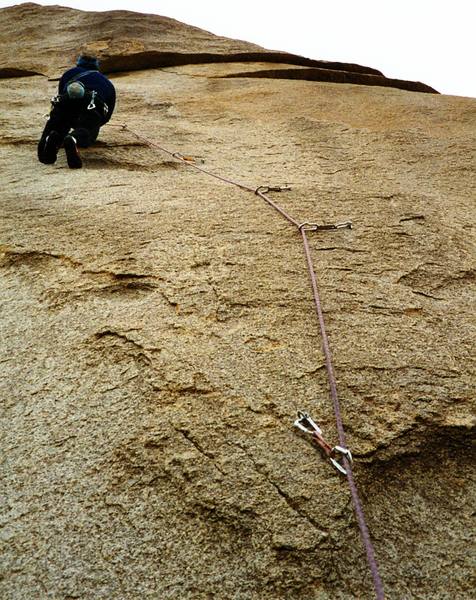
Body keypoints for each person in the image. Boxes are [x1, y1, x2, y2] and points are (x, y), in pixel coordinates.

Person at [38, 55, 116, 169]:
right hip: (93, 104)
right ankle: (73, 139)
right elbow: (108, 113)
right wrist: (96, 123)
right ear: (97, 66)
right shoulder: (106, 82)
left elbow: (61, 95)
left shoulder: (69, 74)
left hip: (67, 101)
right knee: (87, 130)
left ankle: (52, 140)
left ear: (79, 63)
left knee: (60, 124)